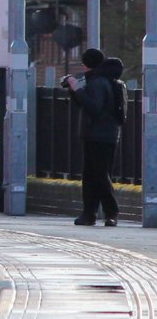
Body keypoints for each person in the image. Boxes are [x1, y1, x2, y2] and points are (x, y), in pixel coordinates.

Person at [64, 48, 122, 226]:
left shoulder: (98, 82)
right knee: (95, 174)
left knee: (96, 174)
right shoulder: (103, 80)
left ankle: (107, 212)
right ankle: (91, 213)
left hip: (98, 134)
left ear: (87, 64)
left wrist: (77, 88)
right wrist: (75, 91)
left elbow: (93, 107)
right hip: (104, 134)